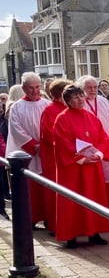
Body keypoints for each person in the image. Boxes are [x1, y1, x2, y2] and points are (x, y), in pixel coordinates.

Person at [52, 84, 109, 248]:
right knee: (73, 200)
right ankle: (71, 236)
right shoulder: (62, 119)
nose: (80, 99)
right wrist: (82, 158)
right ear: (67, 101)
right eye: (75, 97)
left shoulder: (91, 117)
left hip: (92, 166)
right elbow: (62, 144)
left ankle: (95, 233)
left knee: (94, 198)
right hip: (74, 169)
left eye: (81, 96)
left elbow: (103, 138)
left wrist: (99, 154)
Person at [6, 72, 52, 228]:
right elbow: (16, 130)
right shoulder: (17, 107)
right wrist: (34, 145)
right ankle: (30, 218)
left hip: (45, 152)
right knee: (29, 187)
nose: (35, 91)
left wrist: (45, 144)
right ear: (24, 88)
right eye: (31, 88)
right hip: (27, 153)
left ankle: (48, 217)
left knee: (46, 186)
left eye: (37, 87)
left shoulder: (46, 104)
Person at [80, 75, 109, 208]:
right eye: (89, 87)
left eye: (95, 87)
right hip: (89, 145)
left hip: (105, 142)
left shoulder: (103, 101)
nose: (93, 90)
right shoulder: (80, 103)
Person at [39, 78, 72, 234]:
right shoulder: (50, 110)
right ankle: (55, 224)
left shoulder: (71, 110)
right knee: (56, 191)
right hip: (55, 157)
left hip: (72, 155)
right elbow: (48, 133)